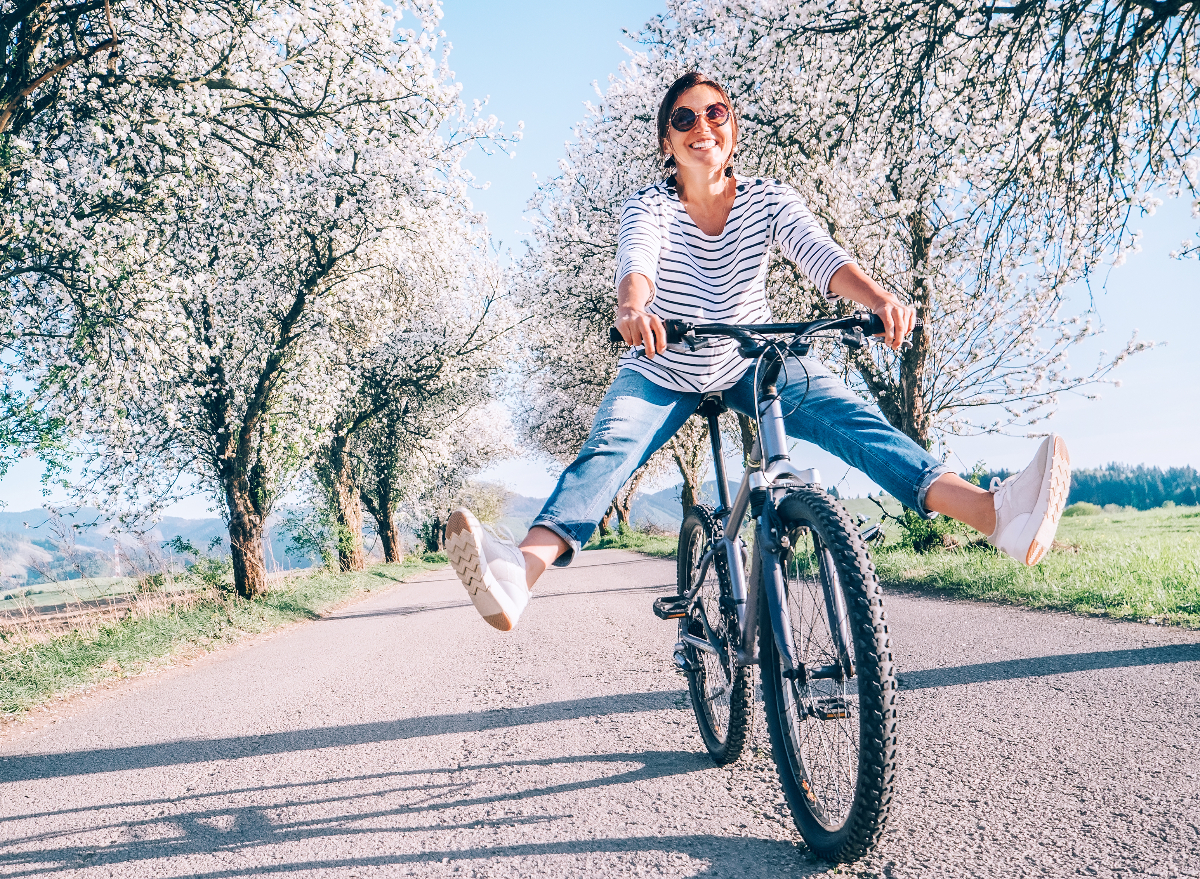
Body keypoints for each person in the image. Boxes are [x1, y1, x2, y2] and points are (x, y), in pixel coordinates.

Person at [444, 71, 1071, 632]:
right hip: (665, 365)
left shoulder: (769, 199)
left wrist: (879, 299)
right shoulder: (652, 207)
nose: (702, 127)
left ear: (733, 131)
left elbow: (821, 256)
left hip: (752, 358)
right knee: (608, 450)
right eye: (685, 119)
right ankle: (518, 575)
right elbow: (638, 267)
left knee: (856, 423)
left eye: (715, 113)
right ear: (668, 141)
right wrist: (634, 310)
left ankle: (995, 516)